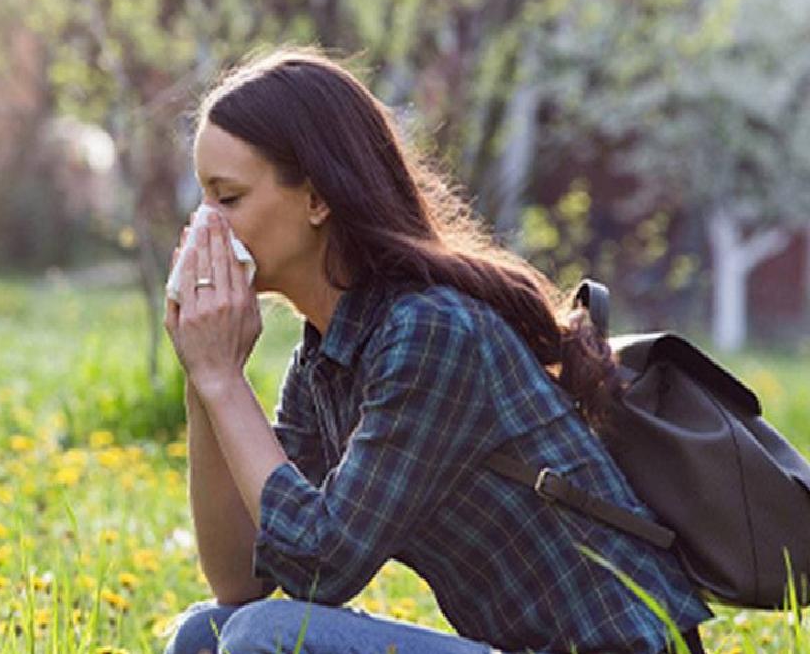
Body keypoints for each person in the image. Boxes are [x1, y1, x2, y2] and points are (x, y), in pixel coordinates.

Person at [161, 47, 713, 654]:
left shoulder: (429, 332)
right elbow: (241, 579)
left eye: (228, 197)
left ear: (317, 200)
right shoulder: (327, 356)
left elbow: (322, 565)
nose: (203, 226)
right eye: (203, 198)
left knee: (262, 639)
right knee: (203, 634)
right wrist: (203, 378)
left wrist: (225, 383)